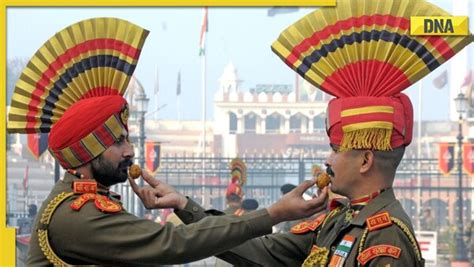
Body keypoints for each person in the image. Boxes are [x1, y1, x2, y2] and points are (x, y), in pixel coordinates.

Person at [141, 1, 473, 265]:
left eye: (336, 148)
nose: (328, 158)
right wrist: (186, 204)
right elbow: (255, 250)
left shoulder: (385, 238)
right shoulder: (338, 220)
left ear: (365, 159)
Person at [6, 17, 329, 266]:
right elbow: (175, 242)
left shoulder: (86, 205)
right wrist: (273, 214)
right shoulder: (77, 215)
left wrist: (181, 204)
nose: (131, 151)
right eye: (118, 142)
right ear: (89, 152)